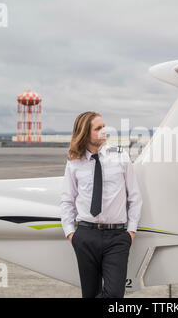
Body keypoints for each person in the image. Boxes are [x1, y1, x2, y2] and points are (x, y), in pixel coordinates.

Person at [60, 111, 142, 298]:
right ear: (85, 133)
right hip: (85, 236)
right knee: (89, 294)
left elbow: (135, 197)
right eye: (98, 128)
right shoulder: (74, 162)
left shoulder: (120, 157)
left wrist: (130, 233)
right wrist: (71, 234)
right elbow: (67, 199)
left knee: (114, 295)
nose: (104, 130)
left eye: (104, 126)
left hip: (117, 237)